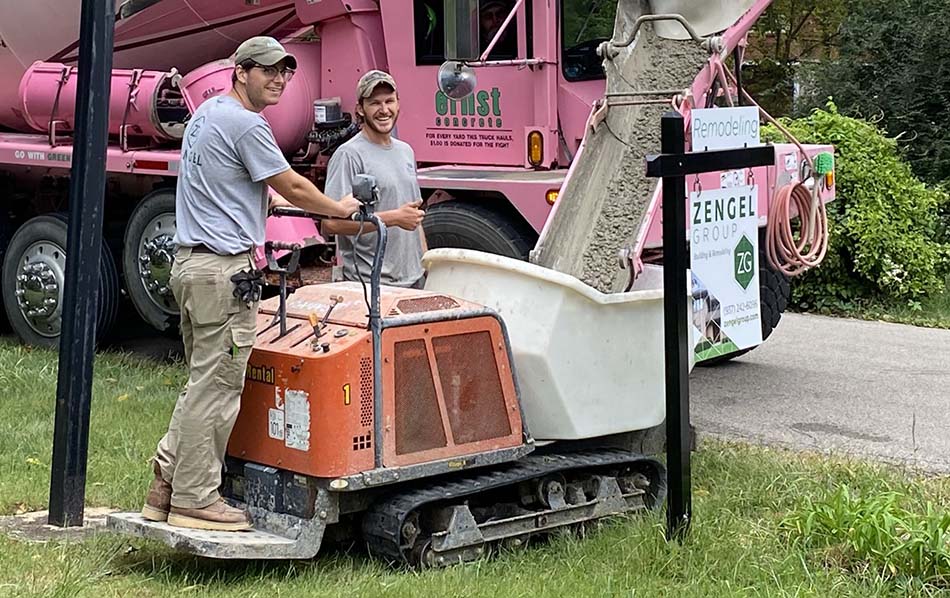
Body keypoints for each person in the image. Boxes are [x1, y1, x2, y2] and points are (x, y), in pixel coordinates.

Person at [142, 36, 360, 532]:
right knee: (219, 388)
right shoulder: (247, 124)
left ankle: (166, 484)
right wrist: (337, 208)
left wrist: (268, 207)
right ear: (240, 72)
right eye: (268, 71)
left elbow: (235, 190)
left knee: (202, 381)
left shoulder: (205, 116)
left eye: (285, 72)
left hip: (192, 266)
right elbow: (294, 184)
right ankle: (197, 498)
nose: (279, 80)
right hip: (223, 270)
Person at [323, 71, 427, 289]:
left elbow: (414, 217)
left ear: (398, 103)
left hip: (414, 279)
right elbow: (330, 224)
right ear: (360, 108)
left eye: (389, 101)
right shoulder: (348, 155)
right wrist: (394, 218)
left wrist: (426, 264)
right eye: (374, 103)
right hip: (372, 285)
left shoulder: (405, 151)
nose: (384, 110)